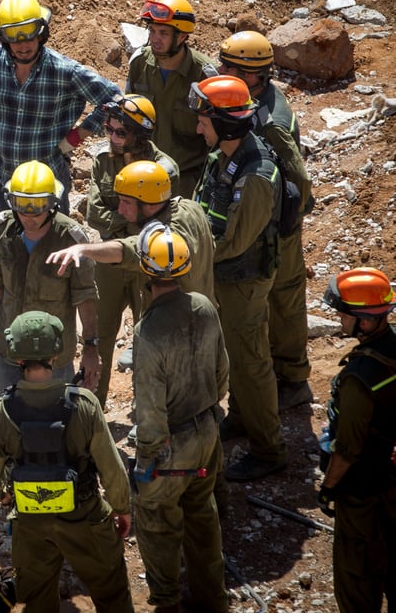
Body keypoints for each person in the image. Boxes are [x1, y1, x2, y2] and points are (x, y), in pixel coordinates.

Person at [0, 311, 134, 613]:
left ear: (17, 357)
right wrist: (121, 507)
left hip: (30, 520)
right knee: (112, 593)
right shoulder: (85, 405)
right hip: (85, 515)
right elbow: (112, 470)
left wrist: (3, 496)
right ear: (56, 352)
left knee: (37, 600)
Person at [0, 0, 121, 263]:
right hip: (4, 180)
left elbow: (114, 98)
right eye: (14, 37)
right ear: (3, 38)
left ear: (42, 33)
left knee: (54, 260)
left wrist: (77, 135)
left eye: (29, 35)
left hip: (50, 186)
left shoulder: (64, 71)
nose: (23, 45)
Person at [190, 75, 287, 481]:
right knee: (235, 355)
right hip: (224, 276)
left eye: (204, 121)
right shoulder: (223, 157)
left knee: (250, 363)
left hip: (243, 280)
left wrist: (190, 253)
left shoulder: (257, 174)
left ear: (226, 125)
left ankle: (269, 448)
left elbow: (235, 241)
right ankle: (244, 419)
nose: (198, 127)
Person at [129, 226, 229, 613]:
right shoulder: (204, 307)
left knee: (157, 521)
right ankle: (212, 599)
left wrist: (147, 458)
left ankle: (167, 602)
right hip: (207, 434)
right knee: (203, 516)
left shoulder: (148, 331)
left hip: (171, 445)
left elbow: (151, 406)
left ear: (144, 270)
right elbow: (222, 372)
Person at [45, 160, 215, 382]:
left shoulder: (168, 238)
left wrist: (84, 249)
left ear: (150, 204)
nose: (120, 209)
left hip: (177, 337)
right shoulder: (190, 208)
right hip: (202, 322)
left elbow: (131, 249)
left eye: (126, 202)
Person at [218, 30, 315, 410]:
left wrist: (289, 221)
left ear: (255, 74)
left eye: (230, 67)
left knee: (285, 296)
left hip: (279, 222)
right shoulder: (249, 101)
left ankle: (292, 377)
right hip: (264, 216)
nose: (221, 70)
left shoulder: (269, 119)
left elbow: (298, 178)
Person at [0, 161, 100, 397]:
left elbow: (85, 297)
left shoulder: (72, 239)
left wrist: (91, 347)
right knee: (4, 415)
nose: (30, 215)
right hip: (8, 351)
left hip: (54, 357)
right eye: (22, 204)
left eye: (38, 205)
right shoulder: (1, 230)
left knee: (54, 420)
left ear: (53, 202)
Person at [84, 95, 179, 401]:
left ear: (140, 134)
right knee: (98, 336)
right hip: (110, 262)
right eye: (108, 130)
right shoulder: (102, 161)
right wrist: (132, 219)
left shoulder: (164, 169)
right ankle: (92, 408)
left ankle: (148, 408)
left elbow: (163, 219)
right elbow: (93, 212)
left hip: (146, 264)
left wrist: (121, 224)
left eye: (120, 132)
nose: (112, 137)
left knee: (149, 338)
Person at [318, 267, 396, 613]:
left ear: (364, 322)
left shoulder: (359, 378)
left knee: (356, 578)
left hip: (363, 490)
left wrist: (328, 487)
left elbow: (347, 450)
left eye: (343, 313)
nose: (338, 318)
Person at [126, 0, 218, 199]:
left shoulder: (205, 76)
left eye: (163, 33)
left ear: (182, 36)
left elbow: (219, 140)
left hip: (187, 184)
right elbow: (128, 121)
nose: (155, 39)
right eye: (152, 30)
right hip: (143, 176)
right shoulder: (139, 64)